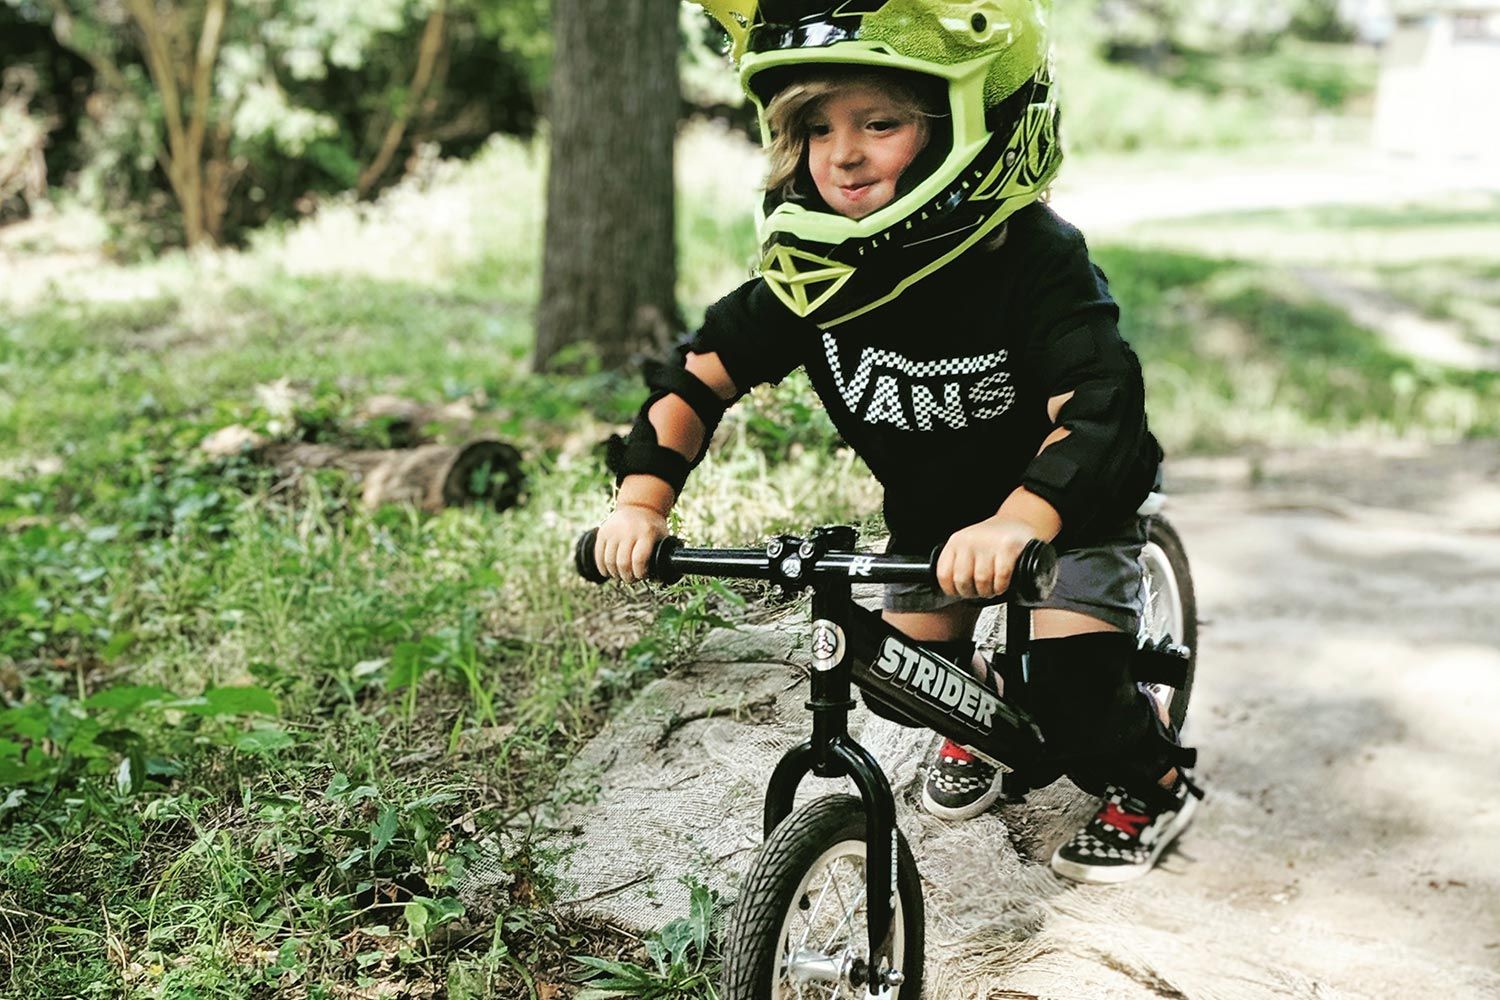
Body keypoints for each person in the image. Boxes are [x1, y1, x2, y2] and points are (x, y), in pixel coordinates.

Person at [590, 0, 1200, 884]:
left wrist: (1022, 519)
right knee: (893, 673)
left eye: (881, 124)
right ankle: (988, 722)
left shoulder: (1031, 256)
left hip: (1068, 511)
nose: (842, 154)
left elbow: (1102, 404)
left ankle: (1155, 782)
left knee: (1072, 695)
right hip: (936, 517)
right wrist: (641, 503)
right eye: (816, 129)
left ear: (969, 125)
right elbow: (696, 378)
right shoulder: (816, 278)